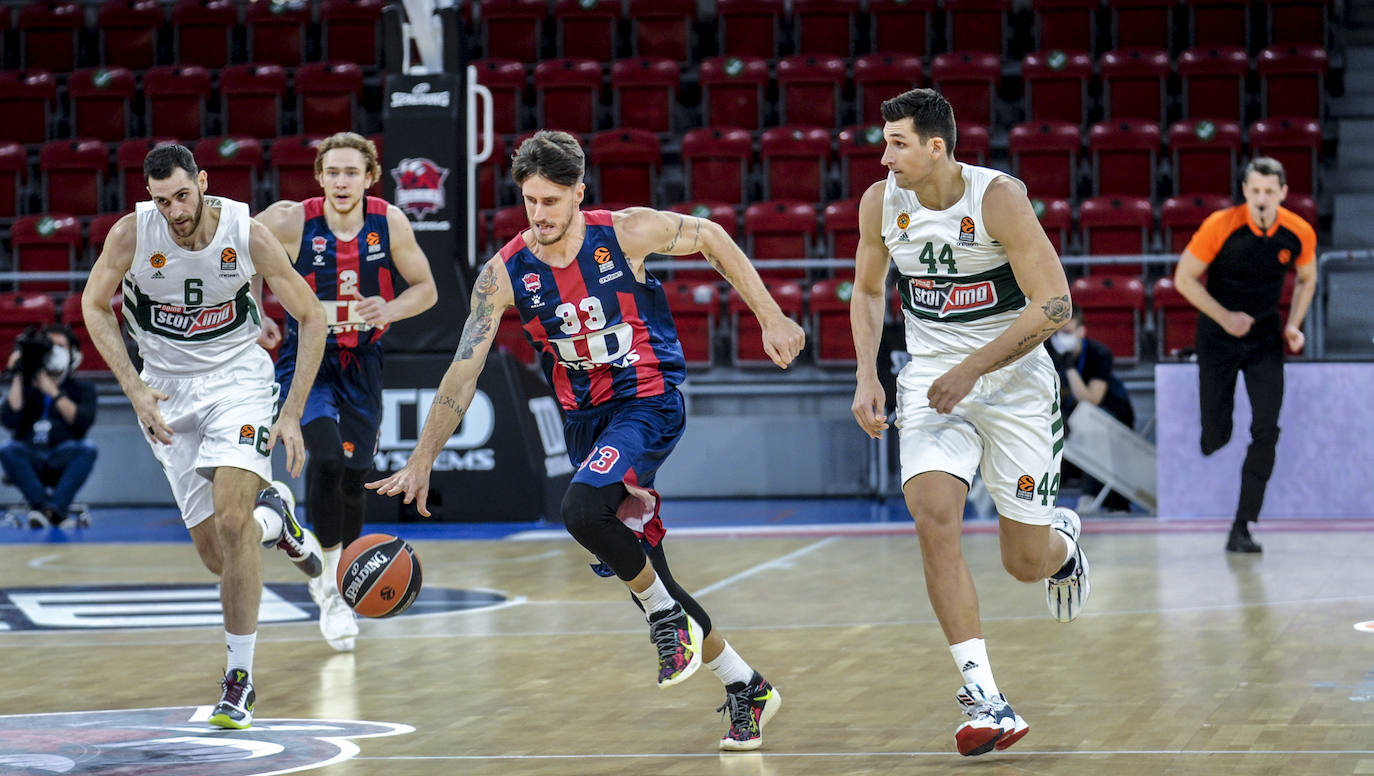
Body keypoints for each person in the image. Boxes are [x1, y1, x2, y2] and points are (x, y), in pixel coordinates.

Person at [367, 130, 806, 751]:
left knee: (580, 512)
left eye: (551, 200)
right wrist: (423, 457)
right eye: (529, 202)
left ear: (578, 192)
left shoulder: (625, 233)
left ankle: (665, 621)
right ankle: (745, 685)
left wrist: (770, 314)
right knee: (646, 570)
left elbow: (710, 237)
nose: (539, 215)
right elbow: (464, 368)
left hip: (647, 403)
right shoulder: (504, 273)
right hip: (586, 423)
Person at [849, 89, 1088, 757]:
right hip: (929, 378)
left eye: (897, 143)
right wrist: (867, 375)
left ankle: (1063, 547)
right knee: (932, 516)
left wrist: (975, 368)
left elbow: (1055, 304)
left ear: (936, 147)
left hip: (1012, 383)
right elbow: (868, 291)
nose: (884, 154)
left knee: (1023, 562)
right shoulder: (880, 203)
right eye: (884, 141)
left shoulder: (997, 199)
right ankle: (987, 698)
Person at [81, 144, 329, 730]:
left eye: (182, 195)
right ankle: (282, 524)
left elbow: (312, 316)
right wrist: (135, 390)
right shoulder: (132, 235)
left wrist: (290, 412)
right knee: (221, 556)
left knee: (233, 522)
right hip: (166, 392)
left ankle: (238, 680)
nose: (173, 209)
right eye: (161, 199)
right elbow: (94, 305)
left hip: (237, 381)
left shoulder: (247, 233)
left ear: (203, 183)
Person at [256, 132, 437, 652]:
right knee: (329, 459)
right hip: (306, 360)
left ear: (369, 177)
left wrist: (390, 308)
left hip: (363, 363)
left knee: (356, 476)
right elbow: (236, 254)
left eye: (351, 172)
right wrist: (257, 315)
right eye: (332, 172)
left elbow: (427, 289)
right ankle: (331, 587)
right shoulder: (291, 219)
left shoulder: (390, 222)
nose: (341, 181)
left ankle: (342, 574)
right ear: (319, 176)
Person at [1173, 157, 1317, 554]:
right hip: (1218, 336)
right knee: (1216, 435)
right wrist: (1224, 317)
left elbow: (1308, 278)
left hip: (1266, 336)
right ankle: (1214, 435)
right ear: (1245, 192)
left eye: (1270, 191)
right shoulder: (1221, 225)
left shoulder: (1298, 231)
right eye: (1255, 191)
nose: (1262, 199)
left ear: (1284, 193)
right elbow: (1183, 277)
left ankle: (1243, 525)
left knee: (1267, 428)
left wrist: (1294, 324)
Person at [0, 324, 98, 528]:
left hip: (62, 456)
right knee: (8, 449)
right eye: (50, 346)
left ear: (73, 354)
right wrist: (20, 372)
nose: (55, 352)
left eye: (61, 346)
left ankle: (46, 511)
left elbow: (82, 421)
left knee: (87, 449)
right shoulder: (27, 386)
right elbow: (10, 419)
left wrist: (51, 390)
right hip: (31, 455)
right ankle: (52, 511)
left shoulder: (83, 388)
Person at [1046, 307, 1136, 512]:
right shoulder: (1047, 351)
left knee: (1089, 424)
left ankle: (1090, 495)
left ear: (1081, 332)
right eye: (1057, 332)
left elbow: (1091, 399)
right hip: (1070, 414)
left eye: (1067, 333)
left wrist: (1068, 368)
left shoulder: (1099, 353)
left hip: (1109, 415)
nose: (1061, 338)